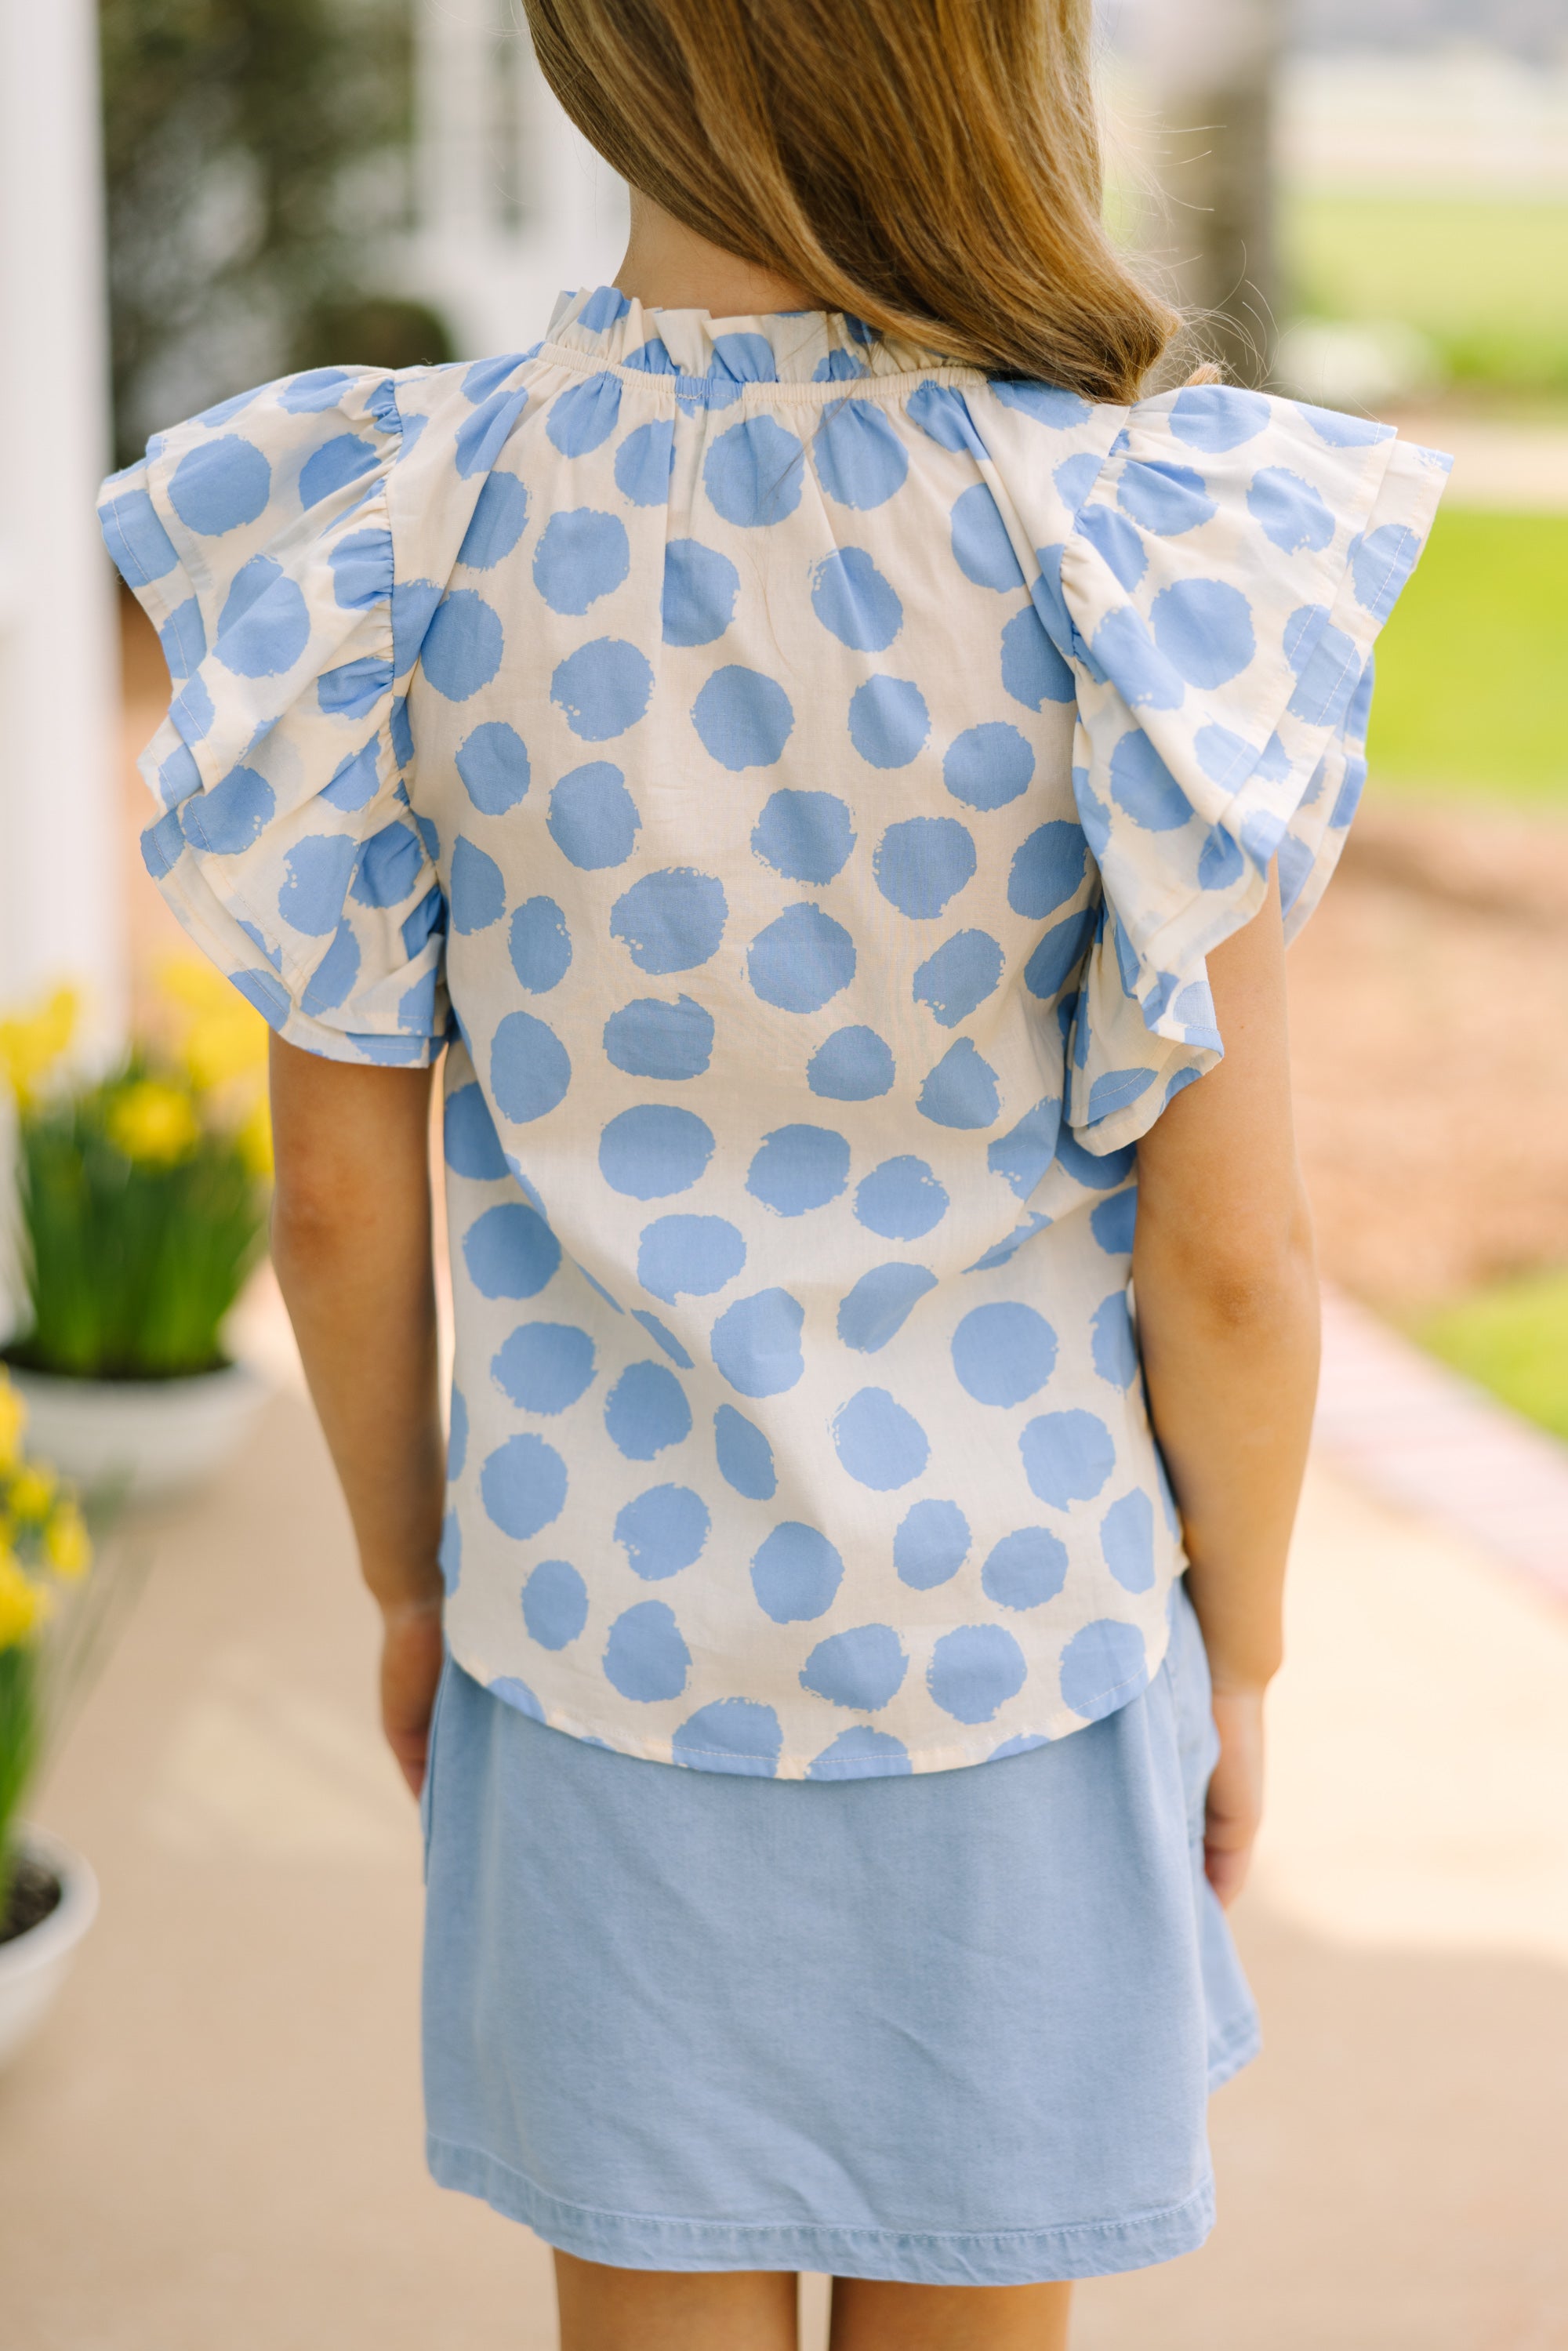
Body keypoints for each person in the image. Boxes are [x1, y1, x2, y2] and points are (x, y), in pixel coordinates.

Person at [100, 2, 1448, 2341]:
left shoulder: (414, 520)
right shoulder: (1125, 541)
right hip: (1018, 1654)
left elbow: (333, 1204)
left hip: (593, 1645)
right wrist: (1239, 1652)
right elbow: (1230, 1264)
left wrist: (413, 1581)